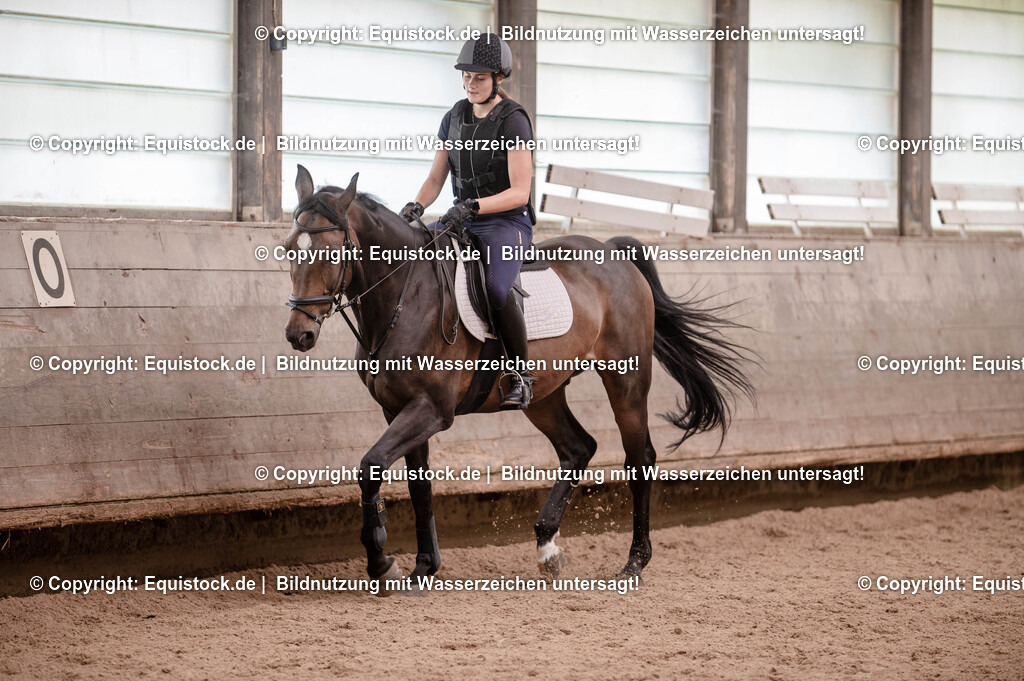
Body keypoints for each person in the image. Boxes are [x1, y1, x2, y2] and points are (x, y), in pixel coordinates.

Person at [400, 33, 536, 409]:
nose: (471, 84)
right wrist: (416, 205)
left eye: (479, 77)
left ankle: (520, 375)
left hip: (506, 223)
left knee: (495, 288)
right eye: (466, 76)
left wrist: (473, 206)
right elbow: (435, 179)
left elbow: (520, 192)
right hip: (461, 220)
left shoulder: (514, 122)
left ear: (498, 79)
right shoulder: (454, 117)